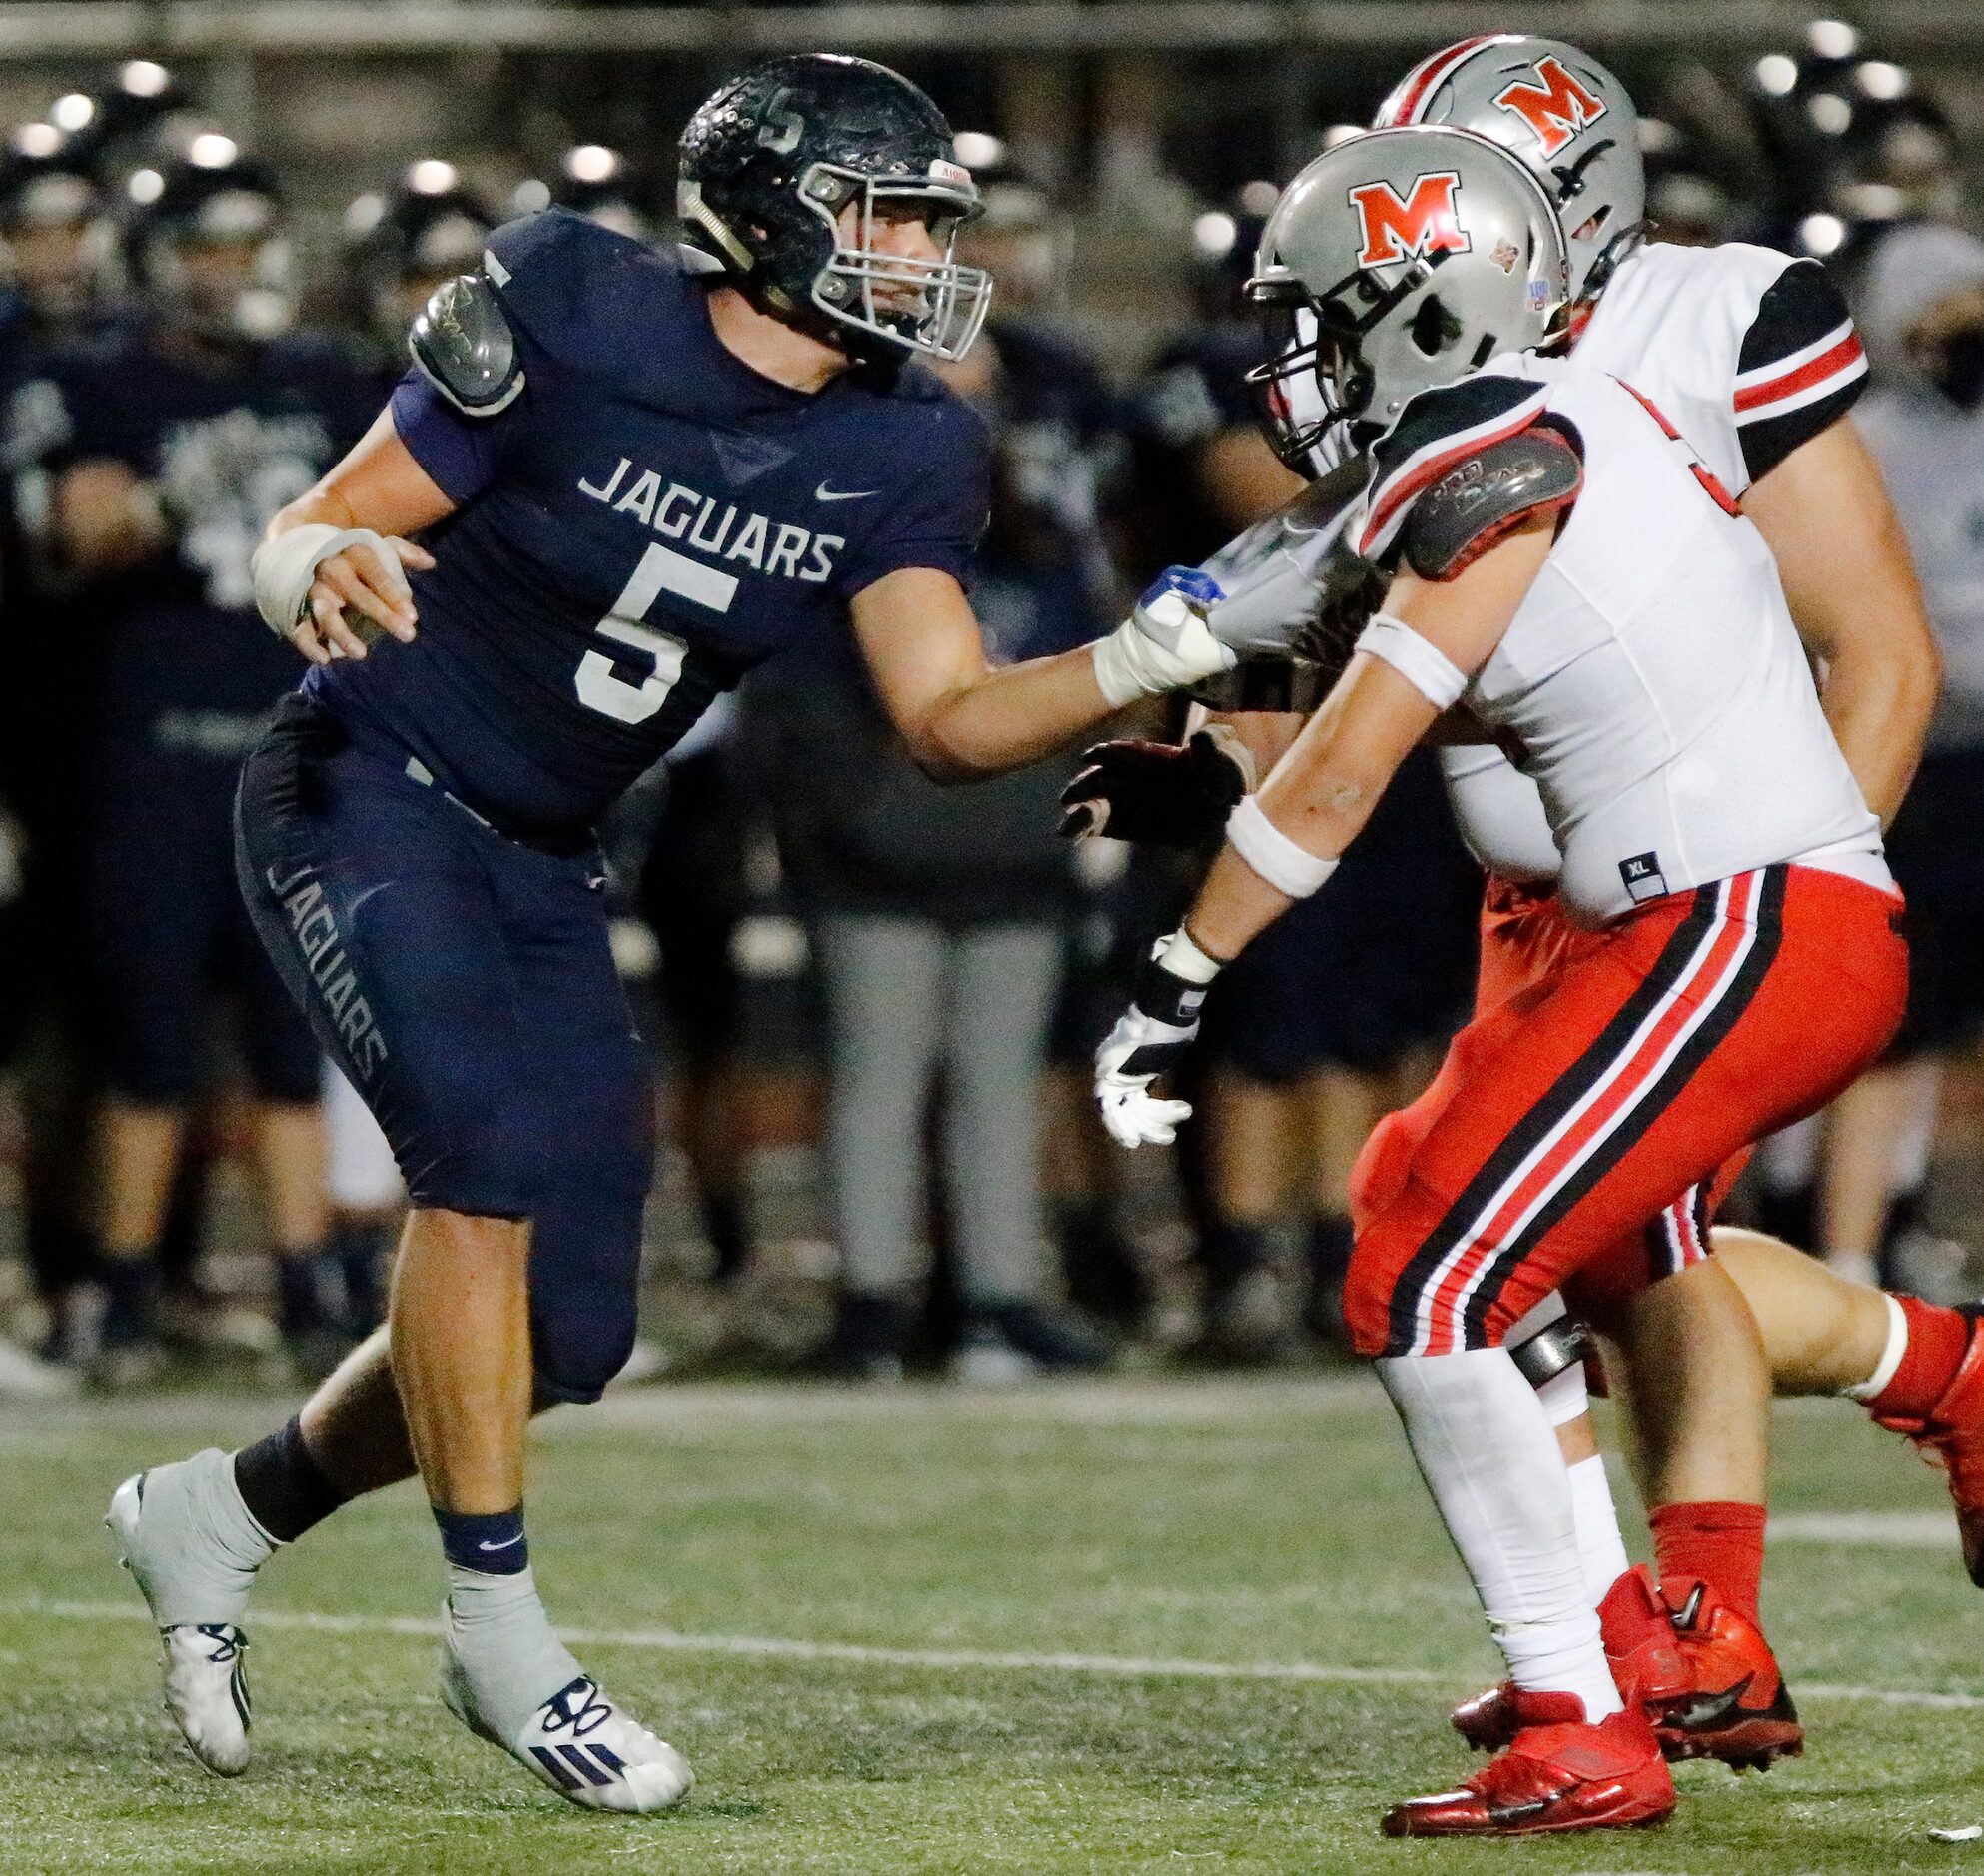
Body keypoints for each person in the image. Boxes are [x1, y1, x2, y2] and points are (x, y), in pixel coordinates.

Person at [105, 54, 1256, 1812]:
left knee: (567, 1331)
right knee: (475, 1158)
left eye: (926, 219)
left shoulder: (905, 441)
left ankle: (225, 1508)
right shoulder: (574, 300)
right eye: (884, 212)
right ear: (770, 210)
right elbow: (323, 516)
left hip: (549, 847)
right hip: (368, 776)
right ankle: (502, 1636)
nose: (919, 251)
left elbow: (946, 715)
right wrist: (296, 568)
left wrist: (1148, 661)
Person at [1072, 31, 1956, 1770]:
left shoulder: (1688, 326)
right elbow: (1328, 682)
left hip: (1710, 893)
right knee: (1509, 1236)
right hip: (1541, 876)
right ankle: (1646, 1630)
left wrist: (1770, 900)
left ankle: (1665, 1638)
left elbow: (1881, 657)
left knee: (1552, 1251)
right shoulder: (1453, 395)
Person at [35, 148, 372, 1383]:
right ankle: (117, 1292)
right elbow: (81, 532)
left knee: (294, 1043)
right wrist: (171, 502)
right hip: (156, 758)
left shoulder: (329, 382)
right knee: (150, 1045)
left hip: (295, 751)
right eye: (206, 251)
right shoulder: (101, 382)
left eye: (247, 246)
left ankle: (308, 1285)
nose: (232, 275)